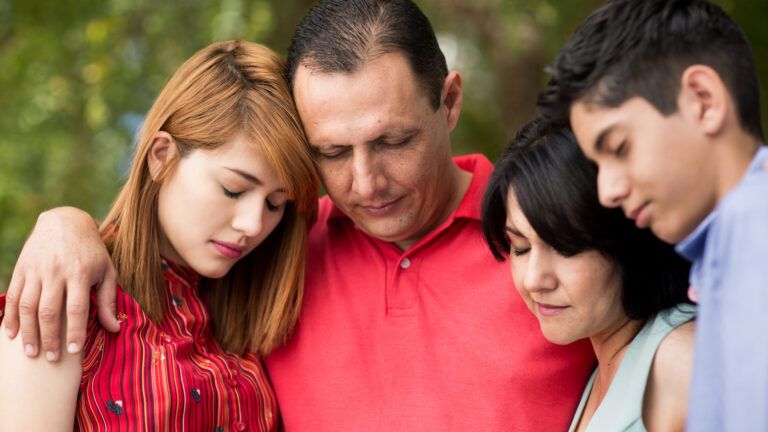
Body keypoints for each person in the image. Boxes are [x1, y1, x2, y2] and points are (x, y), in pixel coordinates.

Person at [3, 1, 597, 430]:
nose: (365, 184)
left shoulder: (550, 236)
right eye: (332, 154)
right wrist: (66, 224)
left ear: (449, 102)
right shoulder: (282, 251)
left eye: (393, 141)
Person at [0, 40, 319, 431]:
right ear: (161, 156)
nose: (253, 225)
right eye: (234, 189)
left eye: (275, 204)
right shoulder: (65, 293)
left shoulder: (246, 314)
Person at [537, 0, 768, 430]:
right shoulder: (727, 253)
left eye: (620, 148)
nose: (607, 191)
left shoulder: (754, 236)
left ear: (703, 100)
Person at [482, 119, 695, 431]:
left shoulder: (682, 364)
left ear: (631, 238)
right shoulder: (604, 369)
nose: (534, 280)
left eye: (565, 248)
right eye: (521, 247)